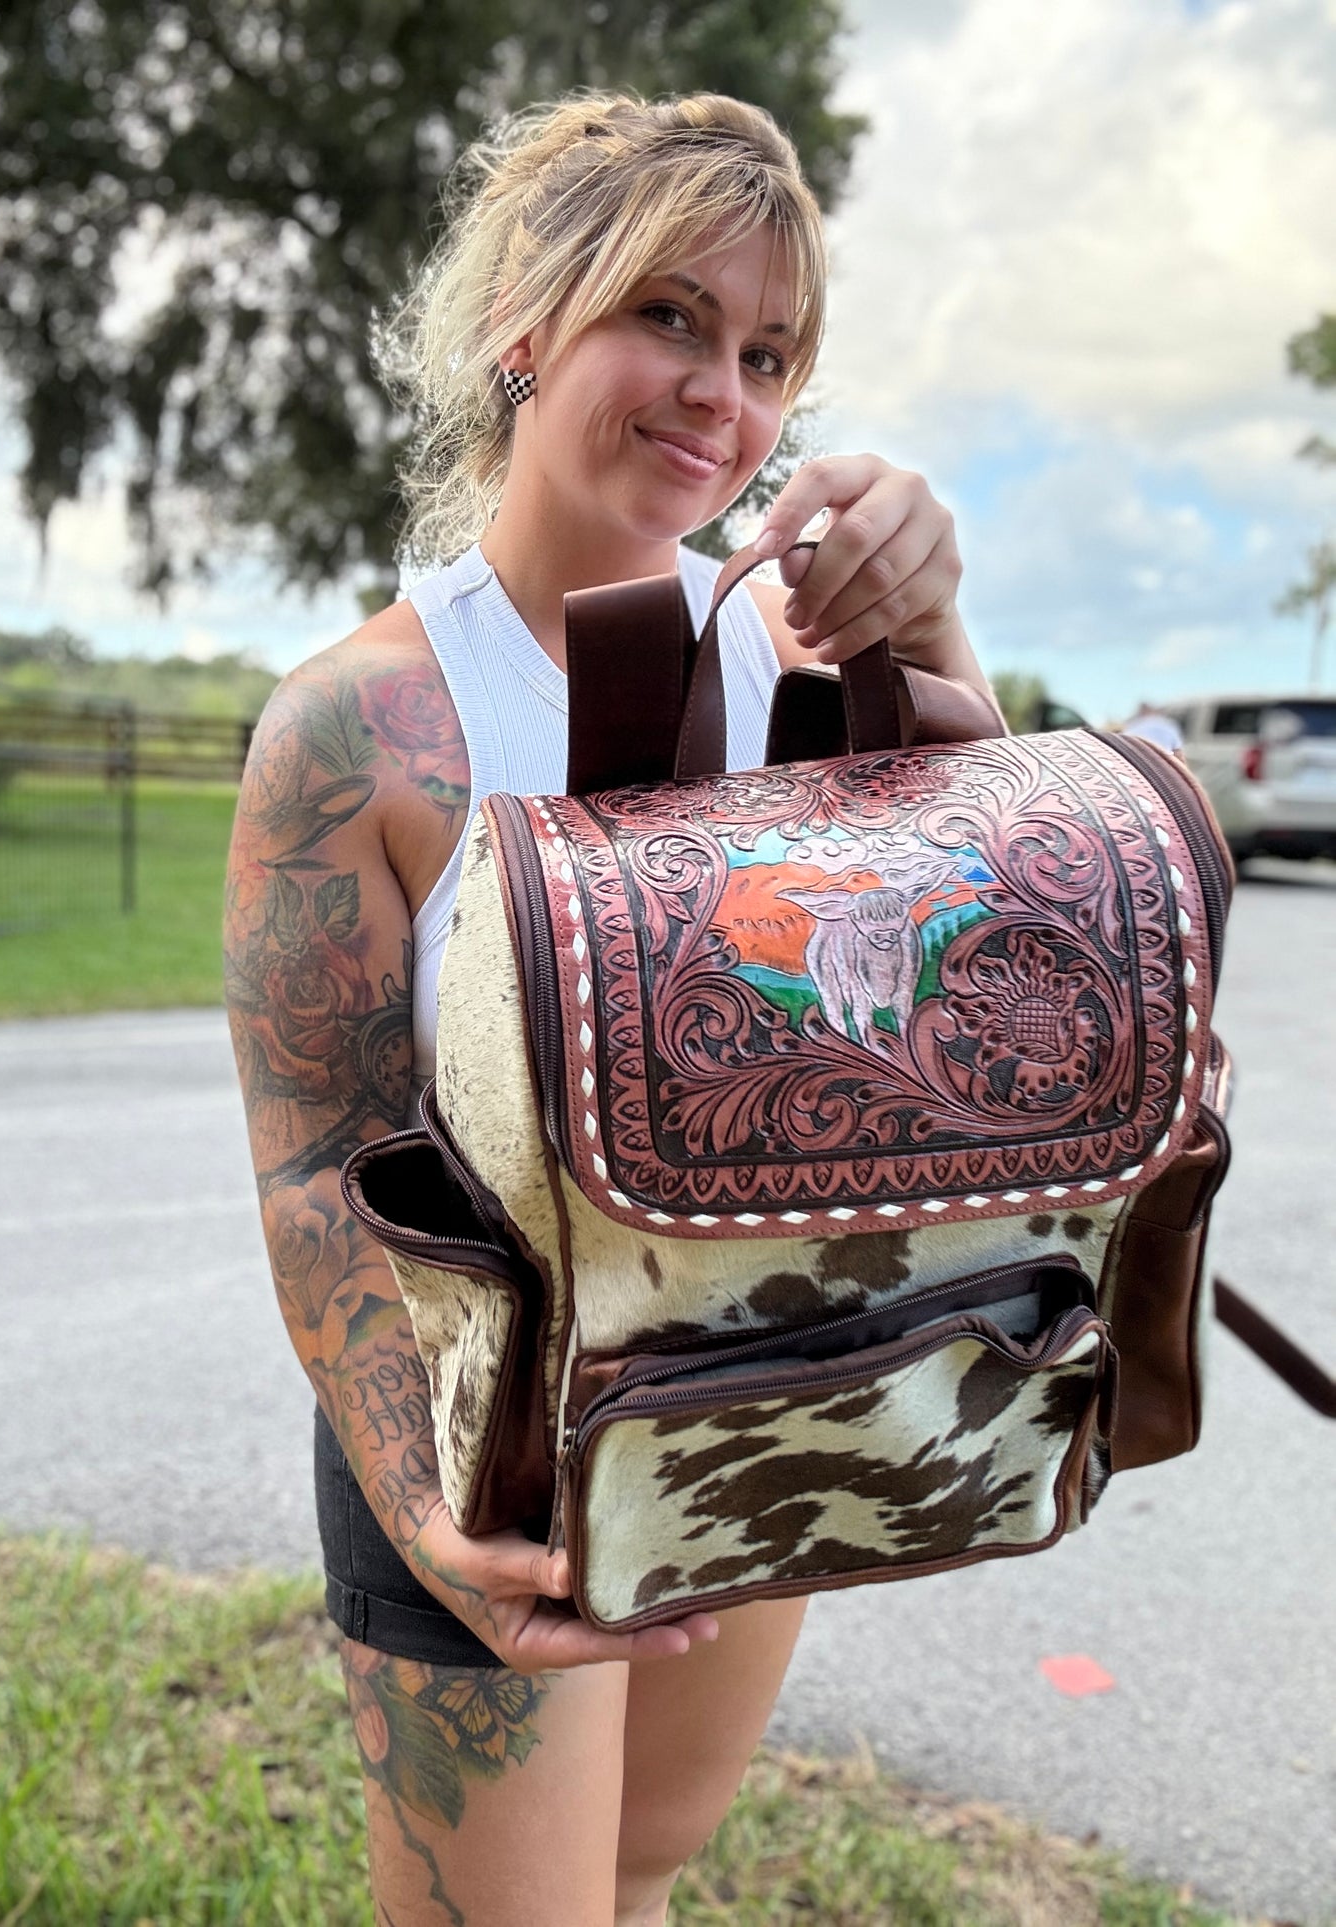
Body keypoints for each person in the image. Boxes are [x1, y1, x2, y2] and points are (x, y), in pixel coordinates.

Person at [224, 90, 999, 1927]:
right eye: (668, 314)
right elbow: (321, 1161)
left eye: (767, 353)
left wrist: (935, 630)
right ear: (527, 321)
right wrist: (428, 1508)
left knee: (641, 1877)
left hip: (762, 1394)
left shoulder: (803, 671)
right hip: (486, 1448)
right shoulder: (360, 726)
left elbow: (990, 970)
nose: (720, 391)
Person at [1121, 701, 1185, 757]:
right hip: (1163, 758)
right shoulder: (1168, 724)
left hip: (1134, 757)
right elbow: (1177, 750)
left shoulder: (1133, 725)